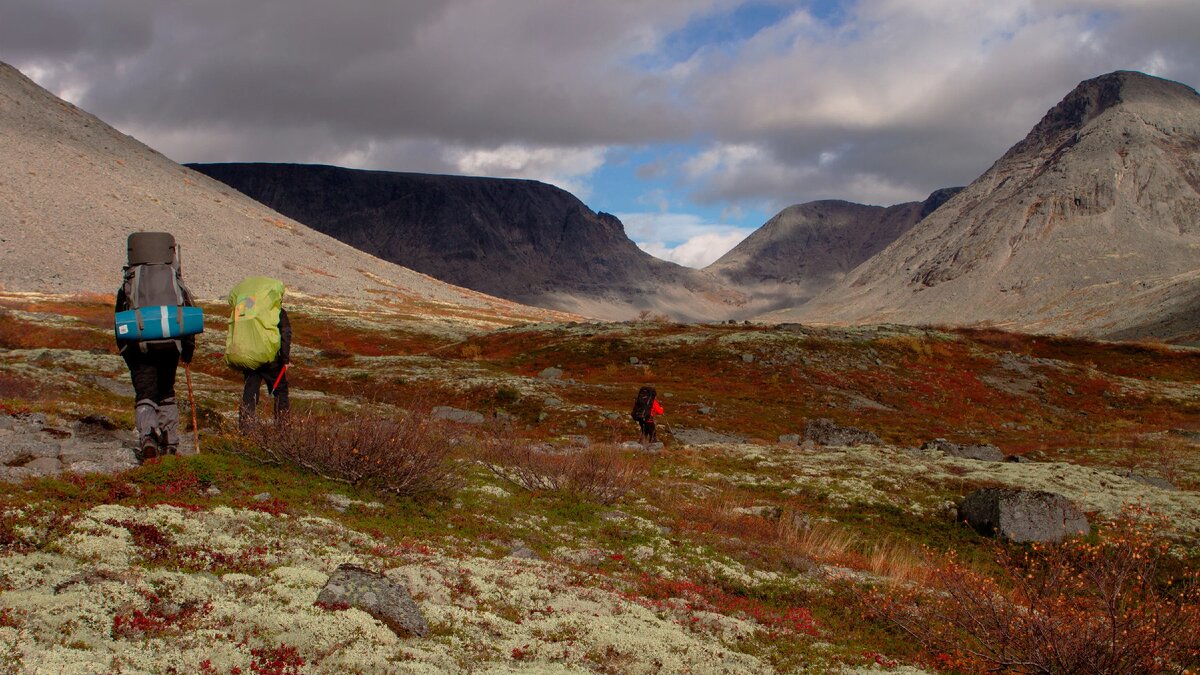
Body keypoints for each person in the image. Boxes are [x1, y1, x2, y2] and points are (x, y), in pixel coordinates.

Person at [115, 232, 197, 460]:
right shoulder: (175, 281)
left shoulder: (129, 283)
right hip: (171, 346)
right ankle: (170, 442)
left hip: (140, 348)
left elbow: (120, 321)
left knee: (145, 394)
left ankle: (149, 437)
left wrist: (127, 353)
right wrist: (187, 350)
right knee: (166, 392)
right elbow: (187, 314)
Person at [225, 276, 291, 430]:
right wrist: (285, 359)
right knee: (280, 390)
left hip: (248, 357)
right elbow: (286, 333)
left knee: (250, 391)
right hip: (270, 359)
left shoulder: (246, 308)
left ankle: (246, 430)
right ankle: (283, 430)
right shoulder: (276, 311)